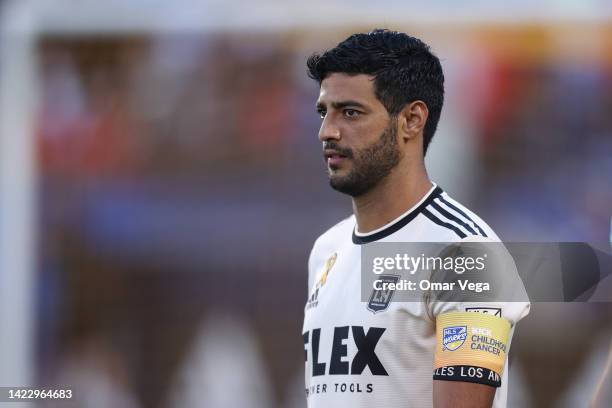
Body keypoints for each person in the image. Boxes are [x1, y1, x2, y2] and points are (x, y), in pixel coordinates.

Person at [302, 29, 529, 408]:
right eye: (325, 112)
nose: (328, 131)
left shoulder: (465, 254)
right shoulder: (326, 250)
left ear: (411, 120)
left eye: (351, 112)